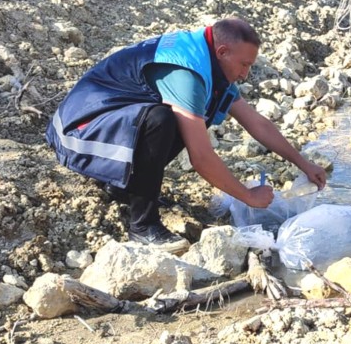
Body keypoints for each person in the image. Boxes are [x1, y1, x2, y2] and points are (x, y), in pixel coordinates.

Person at [45, 17, 327, 253]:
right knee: (163, 120)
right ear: (223, 51)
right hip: (77, 134)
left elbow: (256, 123)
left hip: (108, 126)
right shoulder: (188, 73)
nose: (245, 74)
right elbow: (201, 157)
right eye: (244, 65)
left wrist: (304, 163)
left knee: (182, 118)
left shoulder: (208, 63)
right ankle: (142, 226)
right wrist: (247, 196)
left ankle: (124, 187)